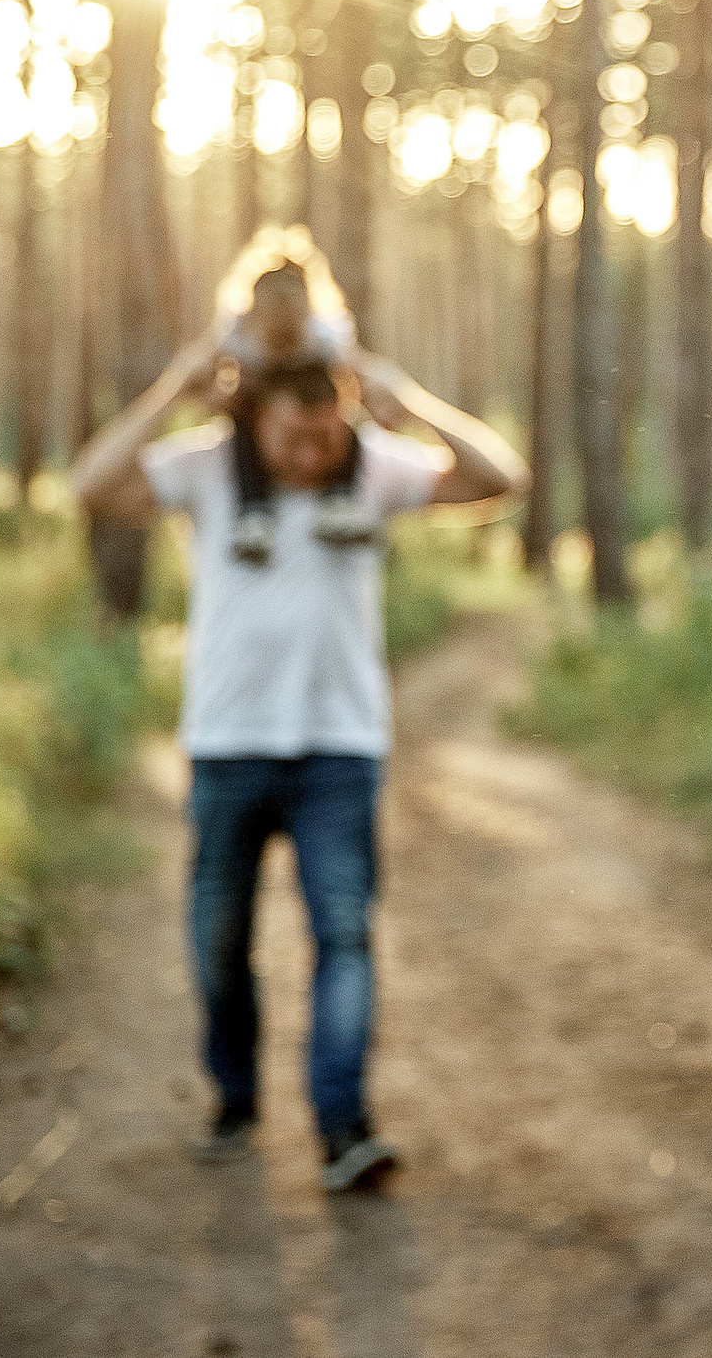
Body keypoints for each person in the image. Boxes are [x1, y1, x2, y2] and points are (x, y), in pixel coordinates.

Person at [72, 325, 529, 1192]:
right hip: (226, 749)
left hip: (340, 753)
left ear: (344, 415)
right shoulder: (208, 467)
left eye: (326, 434)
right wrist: (176, 382)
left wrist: (408, 397)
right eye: (291, 435)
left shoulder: (374, 464)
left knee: (345, 938)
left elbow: (502, 479)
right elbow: (90, 486)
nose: (311, 452)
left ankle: (343, 1127)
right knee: (218, 942)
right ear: (253, 419)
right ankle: (235, 1101)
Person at [207, 227, 371, 562]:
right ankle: (253, 511)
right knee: (242, 436)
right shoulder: (236, 332)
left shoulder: (326, 333)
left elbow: (349, 375)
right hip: (261, 400)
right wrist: (229, 396)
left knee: (347, 427)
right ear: (254, 313)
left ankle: (340, 496)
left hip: (314, 393)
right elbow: (218, 379)